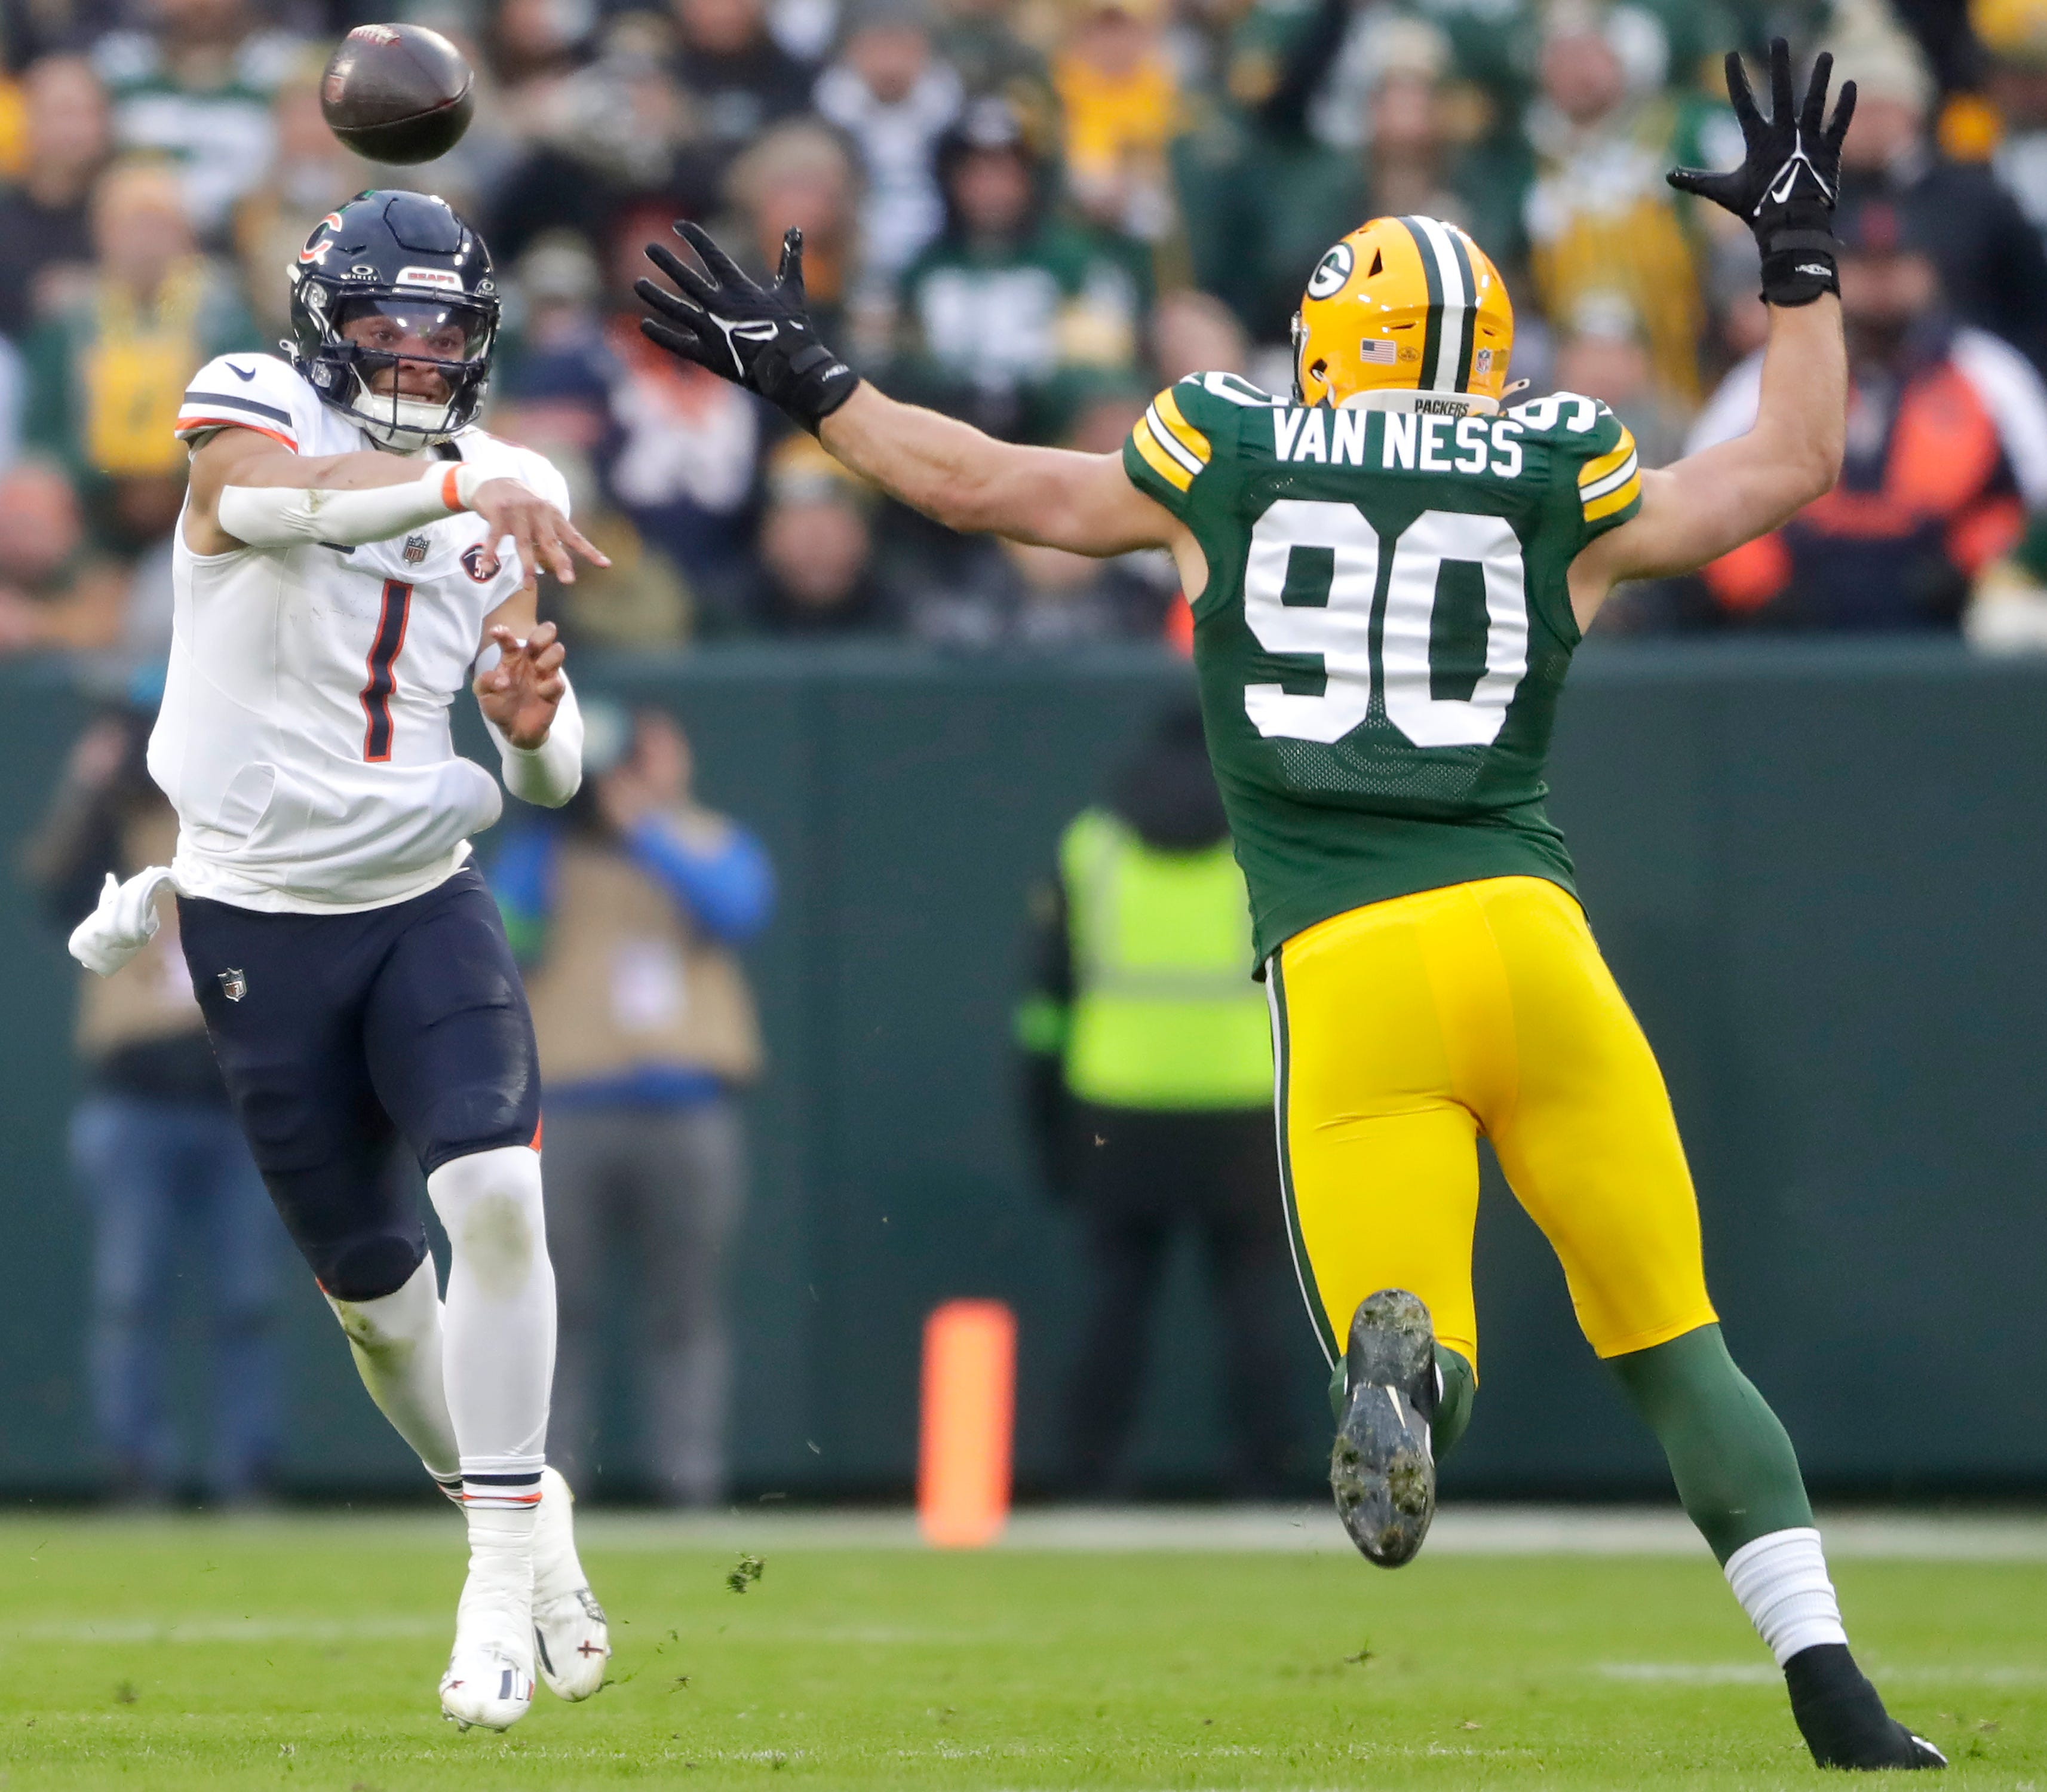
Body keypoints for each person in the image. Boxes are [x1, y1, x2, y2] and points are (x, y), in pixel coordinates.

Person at [634, 39, 1945, 1772]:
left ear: (1325, 340)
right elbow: (1787, 463)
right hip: (1531, 940)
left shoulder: (1223, 454)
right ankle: (1833, 1693)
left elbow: (982, 486)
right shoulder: (1555, 468)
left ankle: (1412, 1378)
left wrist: (809, 378)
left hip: (1348, 966)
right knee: (1674, 1339)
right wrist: (1795, 262)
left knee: (1409, 1346)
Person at [65, 188, 612, 1733]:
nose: (418, 350)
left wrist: (531, 727)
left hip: (419, 892)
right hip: (253, 918)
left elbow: (548, 766)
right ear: (325, 323)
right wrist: (451, 483)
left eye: (445, 329)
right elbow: (273, 501)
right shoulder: (251, 401)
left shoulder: (506, 475)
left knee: (498, 1193)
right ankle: (523, 1513)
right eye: (387, 321)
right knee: (377, 1306)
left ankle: (496, 1577)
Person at [492, 702, 774, 1506]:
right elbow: (505, 934)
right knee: (557, 1307)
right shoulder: (544, 853)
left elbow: (739, 908)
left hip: (687, 1106)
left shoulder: (708, 840)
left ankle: (689, 1478)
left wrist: (643, 827)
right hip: (574, 1104)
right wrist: (558, 821)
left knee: (683, 1306)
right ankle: (548, 1483)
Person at [1017, 701, 1291, 1495]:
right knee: (1250, 1303)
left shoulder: (1091, 844)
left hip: (1118, 1103)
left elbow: (1043, 1001)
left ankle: (1089, 1474)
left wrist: (1044, 1124)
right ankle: (1266, 1476)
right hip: (1242, 1102)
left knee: (1114, 1301)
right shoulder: (1262, 839)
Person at [24, 700, 284, 1506]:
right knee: (131, 1295)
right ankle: (135, 1467)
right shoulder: (112, 824)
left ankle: (249, 1472)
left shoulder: (234, 818)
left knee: (249, 1297)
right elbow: (53, 886)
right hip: (134, 1096)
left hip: (235, 1097)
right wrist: (87, 784)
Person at [1684, 190, 2047, 630]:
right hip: (1794, 629)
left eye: (1895, 264)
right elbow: (1700, 494)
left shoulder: (1986, 369)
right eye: (1863, 265)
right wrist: (1763, 588)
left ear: (1928, 272)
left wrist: (1968, 564)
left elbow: (2033, 504)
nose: (1880, 283)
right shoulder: (1771, 371)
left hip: (1949, 625)